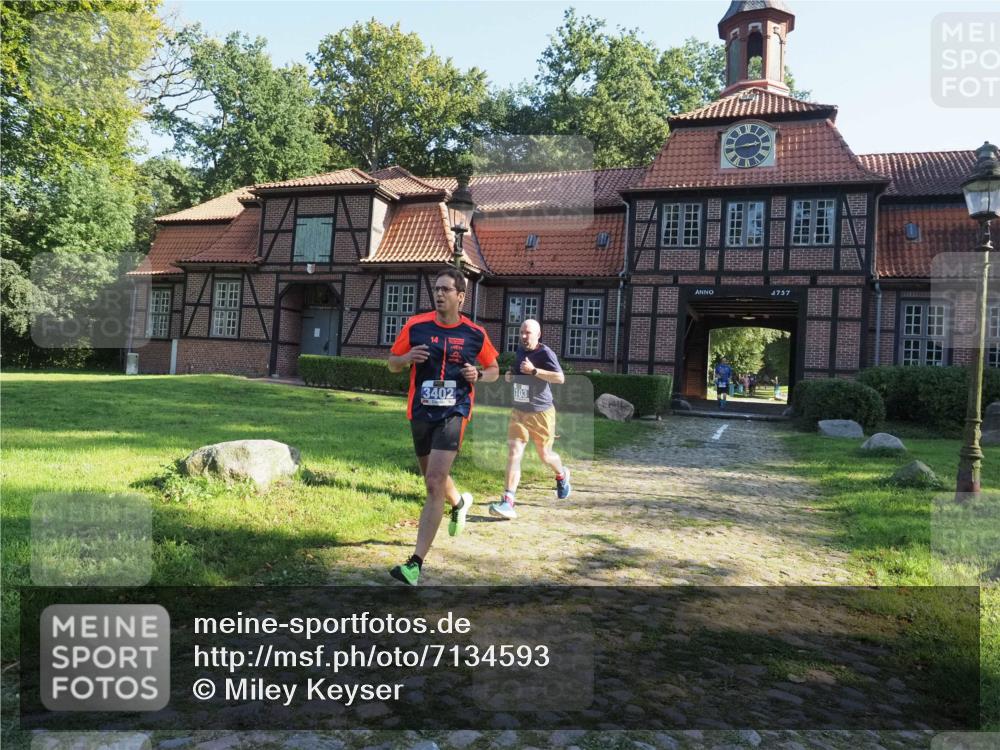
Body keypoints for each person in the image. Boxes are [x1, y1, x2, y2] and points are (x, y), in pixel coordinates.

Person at [387, 267, 500, 585]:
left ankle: (415, 564)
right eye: (436, 289)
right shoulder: (416, 326)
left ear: (460, 297)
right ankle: (459, 503)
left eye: (446, 289)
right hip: (421, 412)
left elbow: (493, 369)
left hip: (454, 412)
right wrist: (407, 357)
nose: (439, 294)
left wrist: (479, 374)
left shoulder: (475, 334)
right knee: (432, 479)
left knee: (435, 481)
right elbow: (392, 363)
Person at [488, 319, 570, 520]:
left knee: (545, 455)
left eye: (528, 333)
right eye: (522, 332)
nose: (524, 336)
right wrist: (511, 375)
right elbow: (519, 373)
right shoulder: (519, 350)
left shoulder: (546, 353)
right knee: (514, 452)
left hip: (541, 413)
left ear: (538, 335)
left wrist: (535, 370)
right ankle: (508, 500)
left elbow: (560, 378)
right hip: (519, 410)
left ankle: (562, 474)